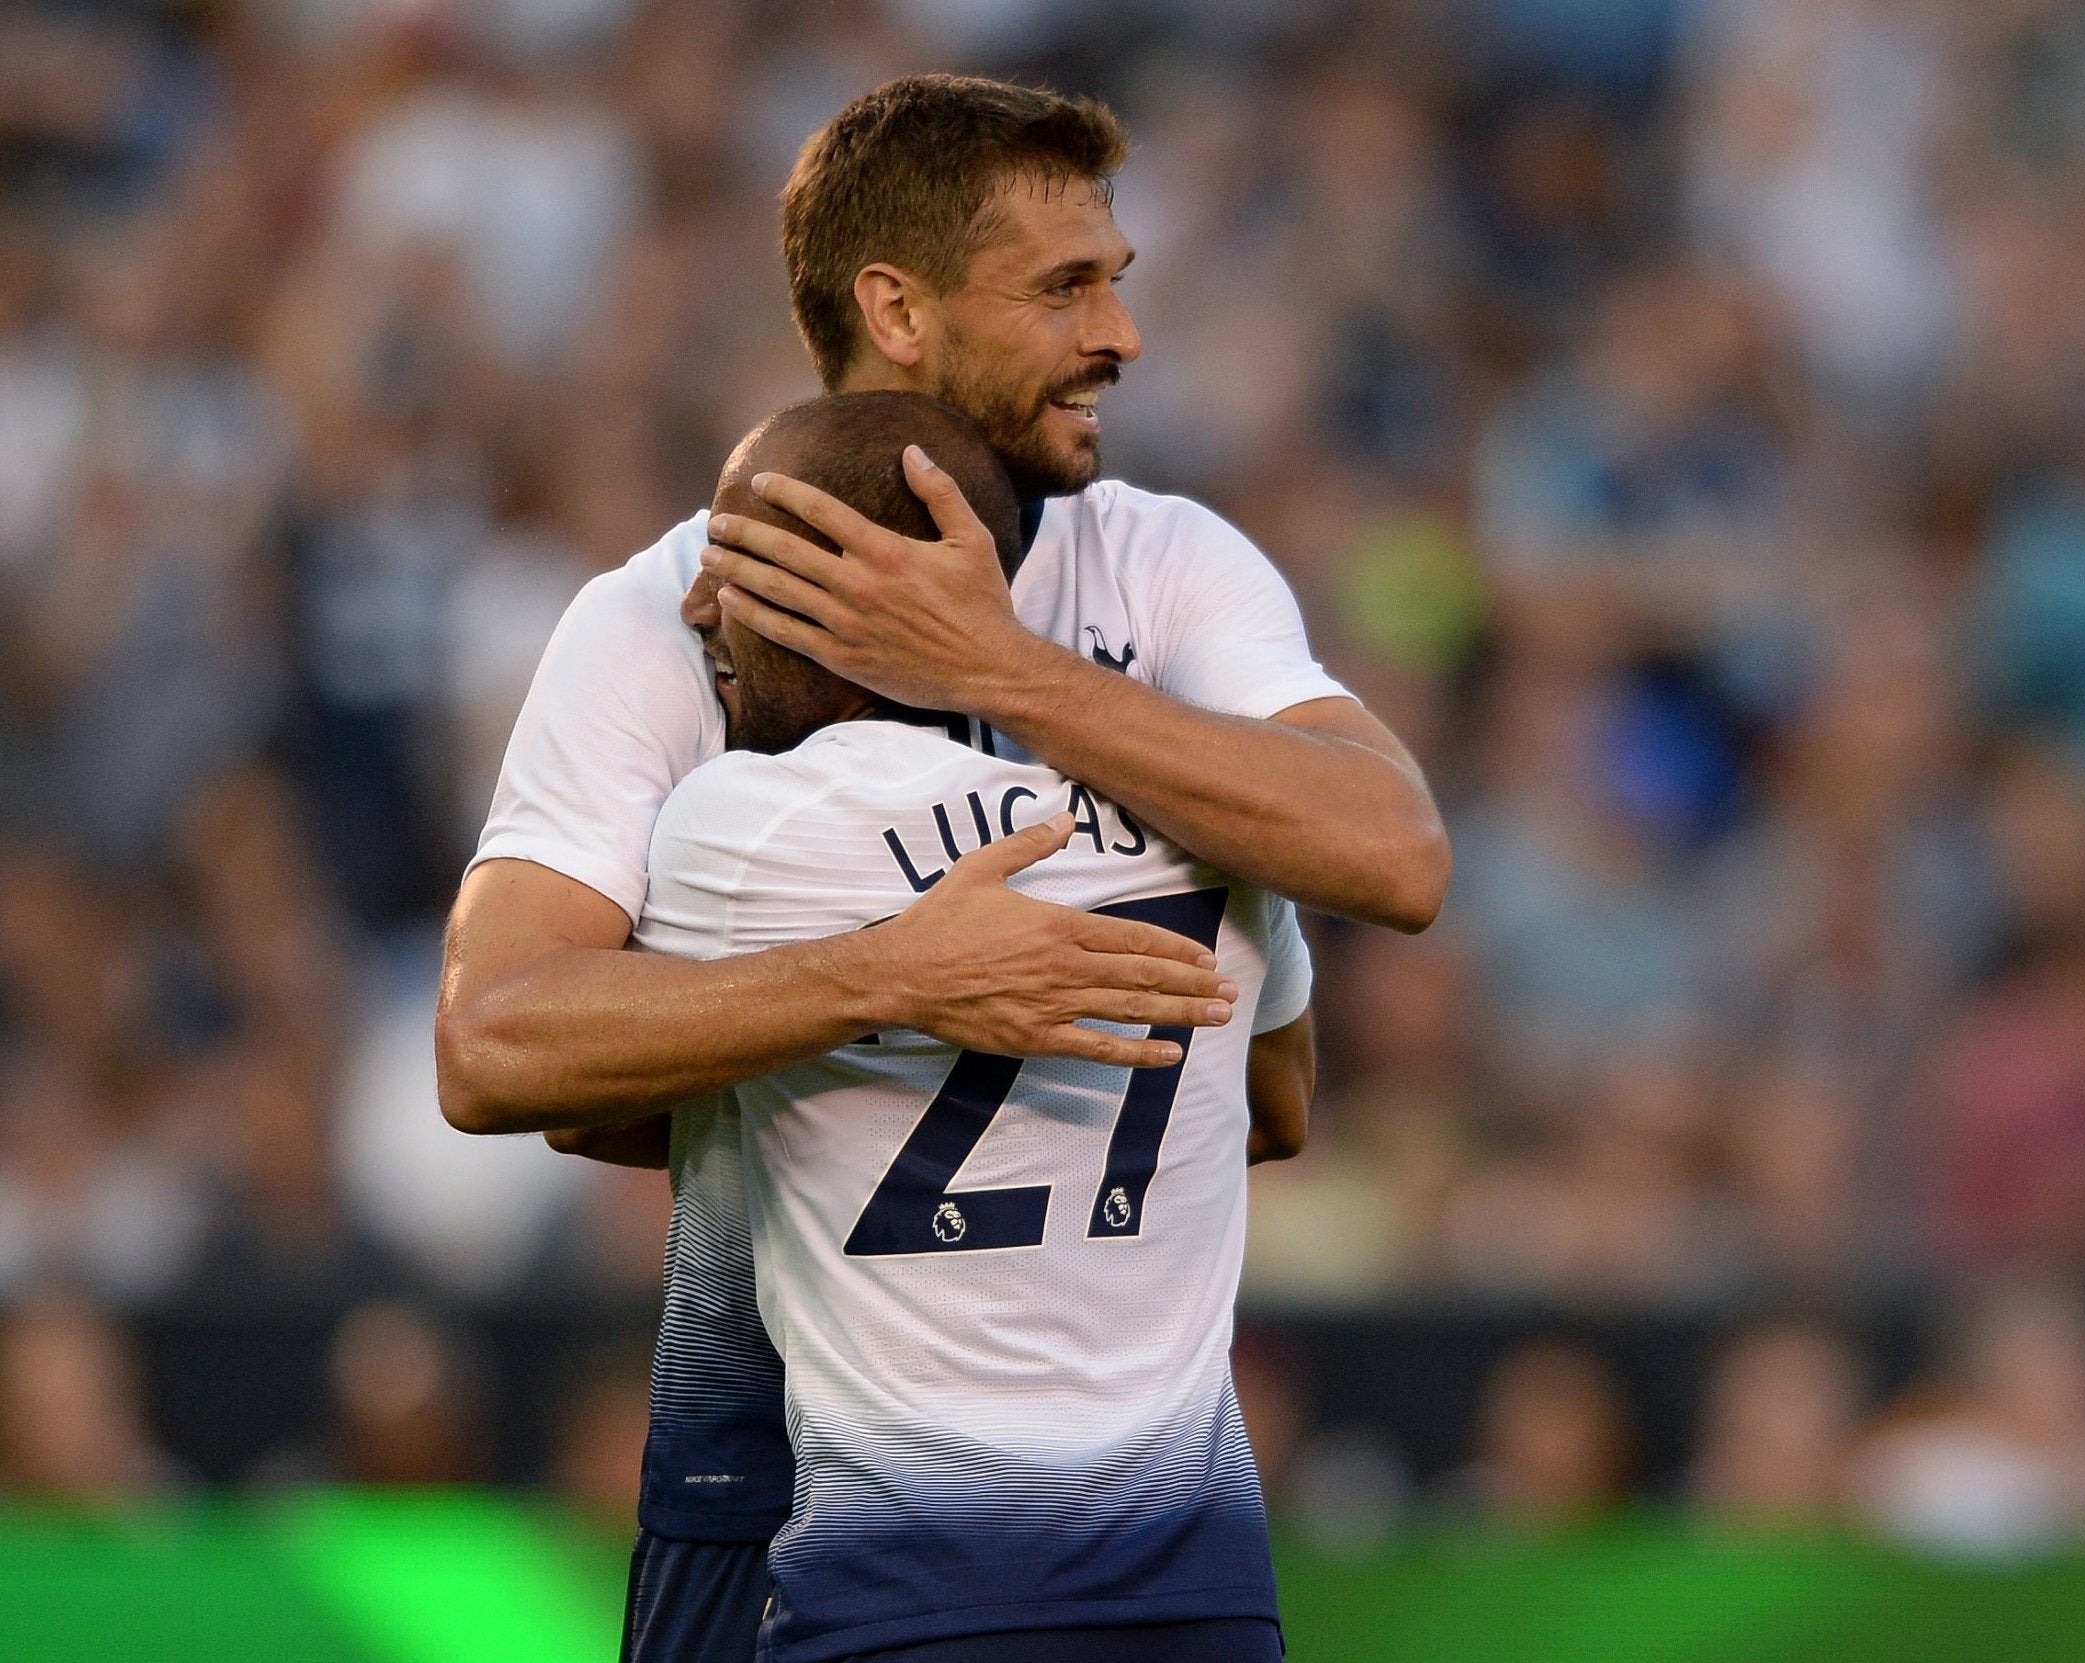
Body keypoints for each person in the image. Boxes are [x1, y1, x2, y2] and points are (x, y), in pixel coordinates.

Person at [434, 71, 1441, 1663]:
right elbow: (505, 1044)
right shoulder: (661, 619)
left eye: (1118, 277)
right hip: (752, 1490)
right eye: (1064, 287)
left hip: (1081, 1521)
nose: (1119, 333)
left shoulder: (1163, 562)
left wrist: (1005, 669)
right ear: (895, 308)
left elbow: (1391, 852)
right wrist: (898, 994)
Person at [638, 390, 1311, 1662]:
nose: (694, 609)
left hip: (908, 1595)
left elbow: (562, 1080)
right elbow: (1280, 1104)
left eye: (734, 566)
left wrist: (881, 1007)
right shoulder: (1221, 827)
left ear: (859, 594)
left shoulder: (741, 826)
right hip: (1205, 1598)